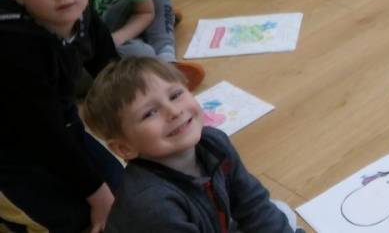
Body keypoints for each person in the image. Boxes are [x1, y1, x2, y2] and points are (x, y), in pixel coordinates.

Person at [82, 57, 303, 232]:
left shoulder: (215, 142)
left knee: (279, 212)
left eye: (175, 95)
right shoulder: (152, 204)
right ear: (124, 148)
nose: (174, 111)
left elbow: (252, 204)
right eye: (150, 113)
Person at [0, 0, 121, 233]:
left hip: (56, 118)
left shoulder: (79, 6)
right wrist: (97, 195)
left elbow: (108, 65)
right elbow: (42, 133)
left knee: (123, 190)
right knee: (71, 221)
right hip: (10, 149)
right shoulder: (15, 46)